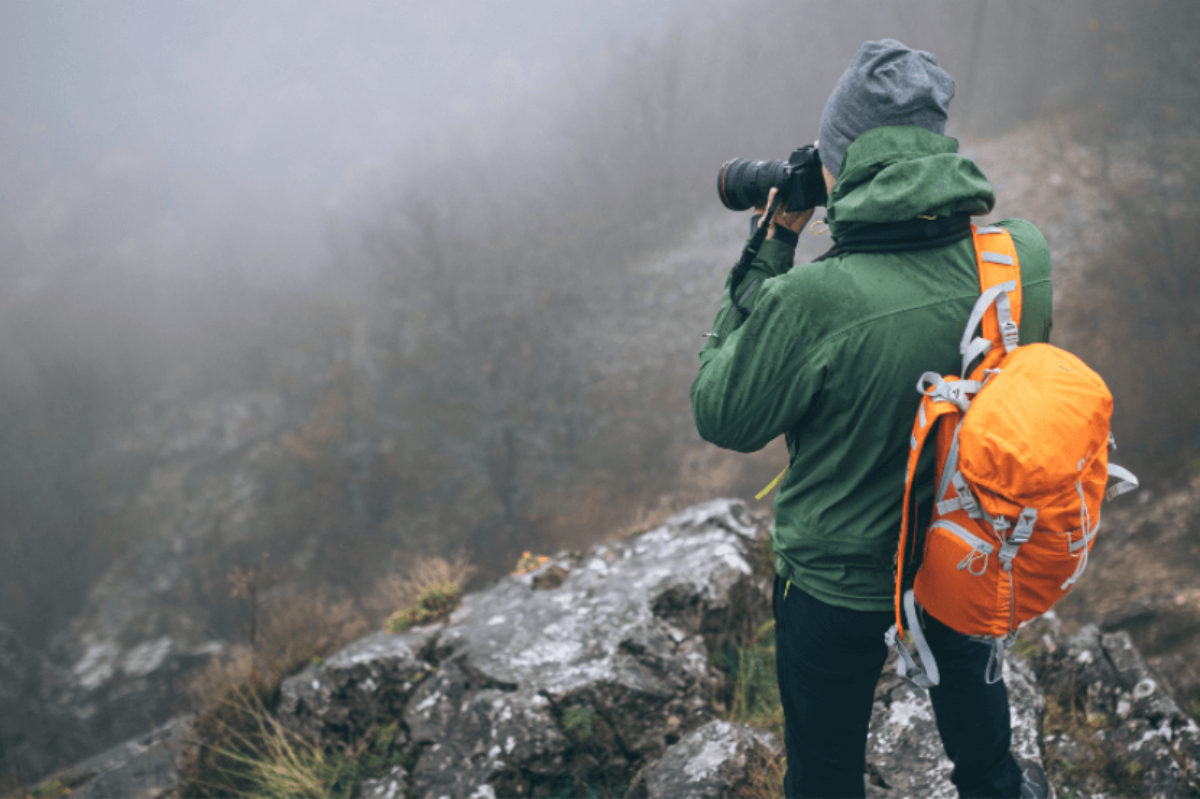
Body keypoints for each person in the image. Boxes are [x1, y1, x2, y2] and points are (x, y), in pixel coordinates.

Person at [691, 39, 1053, 799]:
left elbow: (721, 411)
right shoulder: (1018, 259)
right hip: (964, 553)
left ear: (845, 161)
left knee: (823, 779)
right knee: (988, 766)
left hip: (837, 582)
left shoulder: (813, 301)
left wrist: (774, 241)